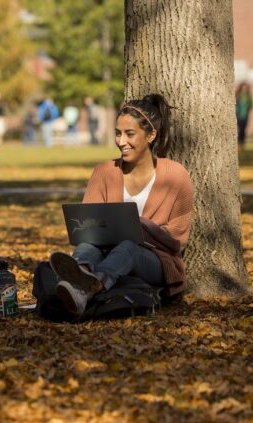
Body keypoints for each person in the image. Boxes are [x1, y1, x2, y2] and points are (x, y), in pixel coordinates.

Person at [47, 93, 193, 317]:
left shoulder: (175, 175)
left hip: (154, 261)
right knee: (86, 248)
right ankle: (80, 281)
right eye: (117, 133)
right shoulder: (104, 172)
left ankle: (83, 290)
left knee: (128, 247)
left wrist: (138, 228)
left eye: (129, 134)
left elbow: (177, 239)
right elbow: (87, 227)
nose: (121, 141)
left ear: (151, 135)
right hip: (105, 254)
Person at [235, 82, 253, 155]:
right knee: (239, 130)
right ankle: (238, 143)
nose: (244, 89)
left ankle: (242, 143)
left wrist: (248, 107)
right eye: (243, 88)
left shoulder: (248, 96)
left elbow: (252, 104)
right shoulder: (237, 95)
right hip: (237, 115)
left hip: (245, 115)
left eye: (245, 88)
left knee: (243, 130)